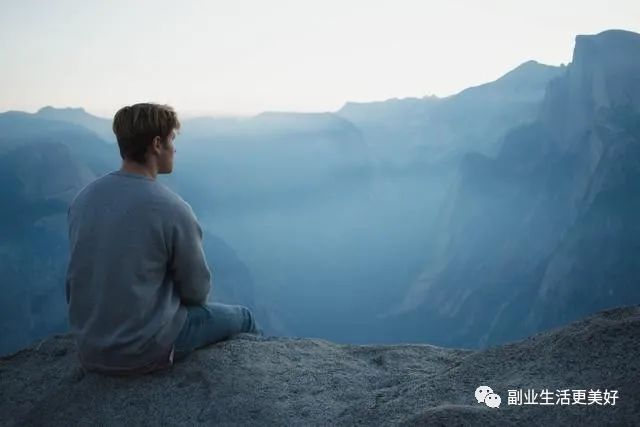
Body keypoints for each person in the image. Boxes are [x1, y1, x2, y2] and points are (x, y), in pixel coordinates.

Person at [65, 102, 262, 376]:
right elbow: (196, 292)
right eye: (172, 139)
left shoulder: (82, 200)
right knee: (245, 317)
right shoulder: (171, 208)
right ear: (157, 144)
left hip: (89, 349)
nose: (175, 148)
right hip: (144, 350)